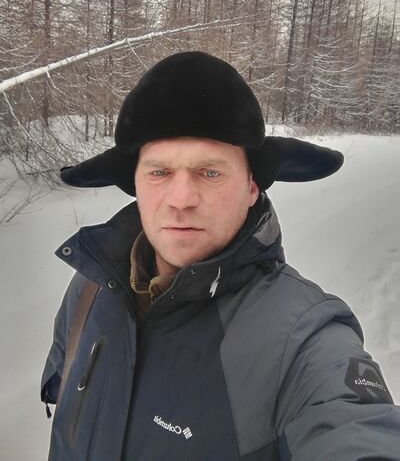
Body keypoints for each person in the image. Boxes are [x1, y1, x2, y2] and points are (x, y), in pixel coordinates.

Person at [41, 51, 400, 460]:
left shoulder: (299, 338)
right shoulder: (91, 286)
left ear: (251, 188)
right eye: (159, 172)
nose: (181, 199)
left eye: (210, 172)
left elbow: (353, 426)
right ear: (136, 185)